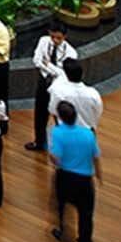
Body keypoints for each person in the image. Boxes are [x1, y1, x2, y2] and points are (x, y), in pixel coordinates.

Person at [48, 99, 99, 242]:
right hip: (84, 180)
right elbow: (95, 157)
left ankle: (62, 230)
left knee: (61, 204)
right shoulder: (88, 134)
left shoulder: (57, 133)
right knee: (86, 213)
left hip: (65, 176)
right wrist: (99, 174)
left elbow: (55, 158)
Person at [26, 20, 76, 152]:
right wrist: (52, 69)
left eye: (58, 38)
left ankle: (64, 146)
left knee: (60, 116)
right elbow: (36, 60)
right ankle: (39, 142)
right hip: (44, 82)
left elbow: (63, 74)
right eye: (52, 36)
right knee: (40, 113)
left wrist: (47, 65)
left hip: (59, 87)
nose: (54, 40)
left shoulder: (71, 53)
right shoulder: (43, 41)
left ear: (65, 37)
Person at [48, 58, 104, 132]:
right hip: (87, 131)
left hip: (65, 131)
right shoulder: (93, 94)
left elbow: (53, 110)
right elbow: (98, 112)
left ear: (66, 75)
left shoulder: (58, 92)